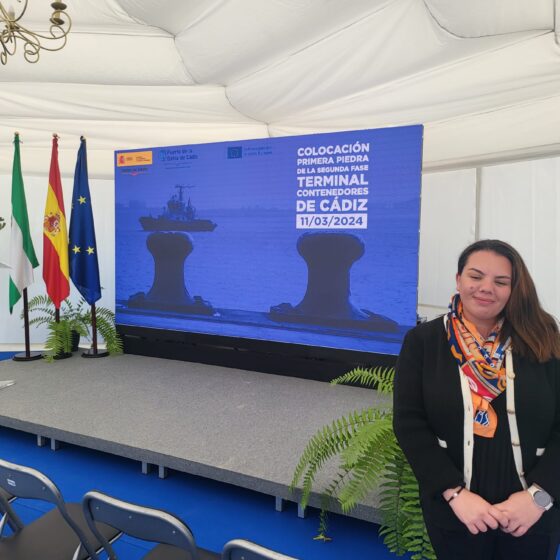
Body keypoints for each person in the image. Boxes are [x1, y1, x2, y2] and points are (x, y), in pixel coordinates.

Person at [393, 239, 560, 559]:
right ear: (458, 280)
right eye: (476, 276)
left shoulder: (543, 338)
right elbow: (409, 423)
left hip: (533, 515)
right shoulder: (424, 342)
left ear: (515, 288)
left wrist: (538, 497)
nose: (486, 288)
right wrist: (455, 494)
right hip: (458, 513)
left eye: (500, 281)